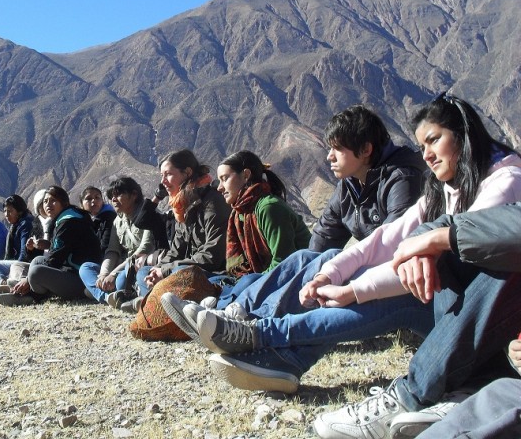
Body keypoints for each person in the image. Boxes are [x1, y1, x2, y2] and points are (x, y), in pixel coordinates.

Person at [193, 93, 521, 395]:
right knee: (318, 259)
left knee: (396, 289)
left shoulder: (494, 183)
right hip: (443, 301)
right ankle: (266, 340)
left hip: (480, 320)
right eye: (423, 146)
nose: (428, 156)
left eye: (434, 140)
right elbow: (386, 240)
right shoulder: (437, 188)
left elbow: (425, 252)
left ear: (463, 135)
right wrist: (328, 275)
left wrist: (356, 287)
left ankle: (260, 334)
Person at [164, 105, 424, 330]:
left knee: (315, 263)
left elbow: (394, 243)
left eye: (337, 149)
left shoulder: (401, 178)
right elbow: (322, 237)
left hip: (391, 280)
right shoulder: (350, 185)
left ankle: (247, 318)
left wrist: (324, 271)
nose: (329, 157)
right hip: (361, 272)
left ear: (365, 149)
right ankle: (234, 311)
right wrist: (309, 270)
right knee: (306, 260)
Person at [314, 202, 521, 438]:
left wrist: (353, 291)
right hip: (461, 320)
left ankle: (414, 393)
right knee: (314, 259)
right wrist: (419, 247)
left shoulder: (504, 178)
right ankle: (273, 340)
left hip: (429, 302)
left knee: (494, 255)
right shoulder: (435, 189)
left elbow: (500, 234)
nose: (426, 161)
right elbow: (391, 237)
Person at [162, 150, 311, 330]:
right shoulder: (239, 213)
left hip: (290, 280)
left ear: (246, 175)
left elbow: (283, 263)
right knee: (211, 280)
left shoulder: (268, 208)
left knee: (247, 282)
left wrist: (248, 281)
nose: (220, 187)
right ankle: (210, 311)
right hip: (251, 276)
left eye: (225, 179)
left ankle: (215, 313)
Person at [129, 149, 231, 312]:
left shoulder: (212, 202)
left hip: (212, 274)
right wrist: (158, 270)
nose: (163, 182)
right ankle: (159, 301)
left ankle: (154, 302)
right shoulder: (182, 206)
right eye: (162, 176)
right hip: (183, 270)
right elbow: (176, 251)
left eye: (168, 174)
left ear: (187, 172)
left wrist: (166, 270)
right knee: (145, 272)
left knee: (179, 272)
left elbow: (212, 256)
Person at [0, 186, 102, 306]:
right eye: (45, 201)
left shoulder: (68, 222)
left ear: (64, 203)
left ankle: (28, 294)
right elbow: (66, 248)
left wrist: (27, 279)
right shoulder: (64, 218)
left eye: (53, 200)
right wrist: (46, 244)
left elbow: (55, 259)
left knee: (36, 272)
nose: (48, 204)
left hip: (81, 279)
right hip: (70, 269)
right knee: (37, 261)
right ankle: (27, 293)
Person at [79, 177, 155, 305]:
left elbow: (145, 249)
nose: (113, 199)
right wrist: (104, 274)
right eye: (111, 196)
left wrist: (113, 274)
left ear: (134, 195)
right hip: (122, 264)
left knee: (120, 281)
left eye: (118, 195)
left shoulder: (149, 215)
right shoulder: (118, 221)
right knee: (85, 268)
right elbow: (112, 251)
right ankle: (107, 296)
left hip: (140, 264)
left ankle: (107, 293)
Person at [0, 195, 34, 288]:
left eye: (10, 211)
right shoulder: (15, 226)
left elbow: (24, 253)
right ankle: (8, 284)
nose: (6, 214)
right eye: (5, 211)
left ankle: (5, 284)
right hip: (16, 263)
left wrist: (14, 269)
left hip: (23, 265)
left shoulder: (26, 224)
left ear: (19, 211)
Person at [80, 186, 117, 255]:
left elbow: (105, 246)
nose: (94, 200)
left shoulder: (109, 218)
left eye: (97, 197)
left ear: (102, 201)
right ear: (82, 205)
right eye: (89, 199)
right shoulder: (80, 222)